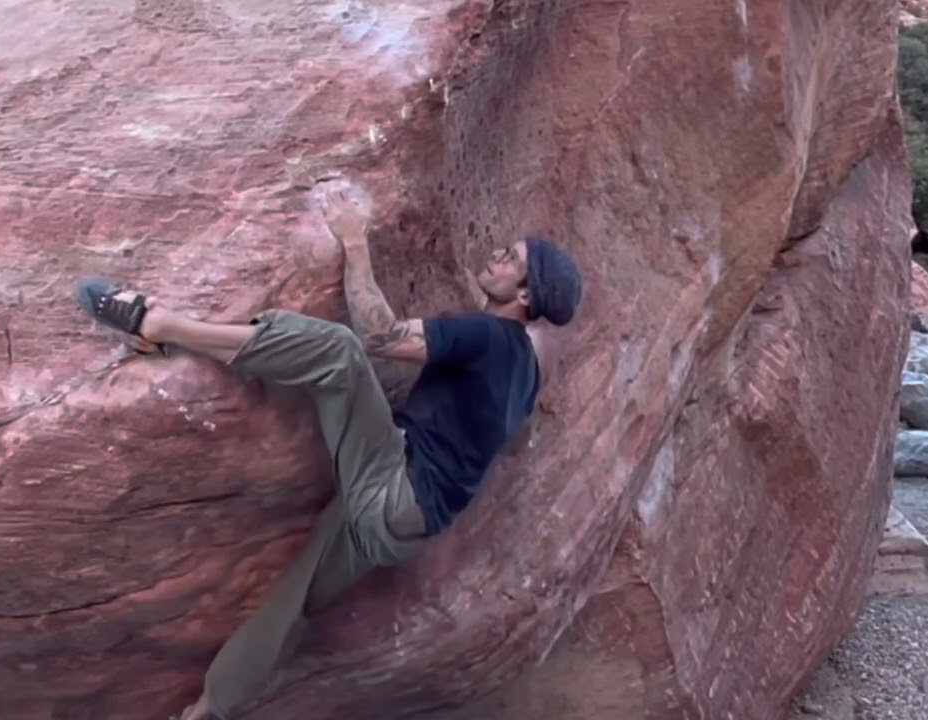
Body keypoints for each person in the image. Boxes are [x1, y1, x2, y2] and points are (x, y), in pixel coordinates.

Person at [74, 188, 582, 720]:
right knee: (293, 606)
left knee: (339, 354)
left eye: (511, 259)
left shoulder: (488, 335)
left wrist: (354, 238)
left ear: (525, 296)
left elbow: (380, 337)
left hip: (394, 487)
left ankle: (161, 327)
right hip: (407, 527)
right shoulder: (526, 372)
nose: (497, 255)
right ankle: (207, 711)